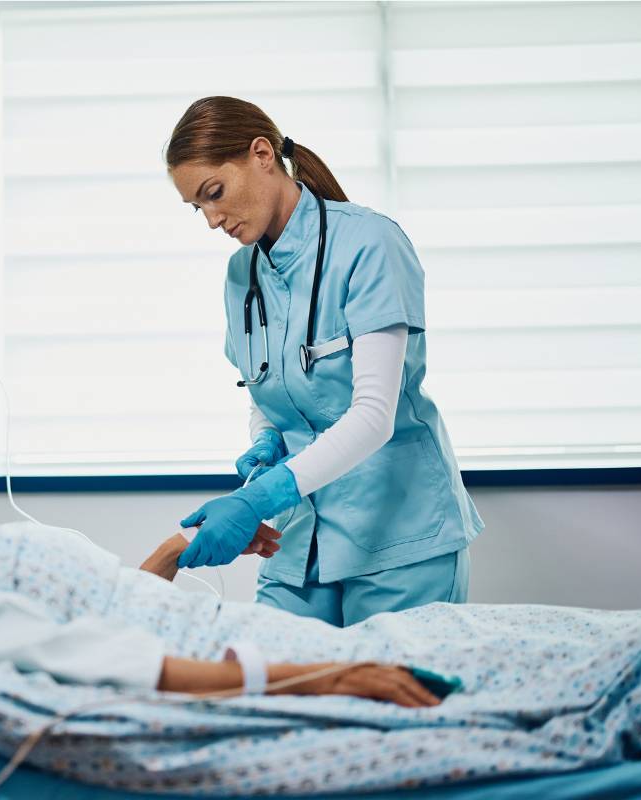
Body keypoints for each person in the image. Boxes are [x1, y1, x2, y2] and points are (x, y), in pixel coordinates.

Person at [0, 354, 441, 707]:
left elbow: (86, 620)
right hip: (238, 655)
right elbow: (83, 655)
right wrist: (322, 678)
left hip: (200, 624)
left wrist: (174, 552)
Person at [165, 96, 483, 627]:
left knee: (386, 705)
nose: (212, 219)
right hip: (299, 546)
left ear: (262, 154)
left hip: (398, 541)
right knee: (273, 692)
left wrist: (260, 497)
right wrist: (264, 443)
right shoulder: (241, 277)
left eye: (214, 194)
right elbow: (266, 391)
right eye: (198, 207)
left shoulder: (369, 244)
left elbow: (373, 416)